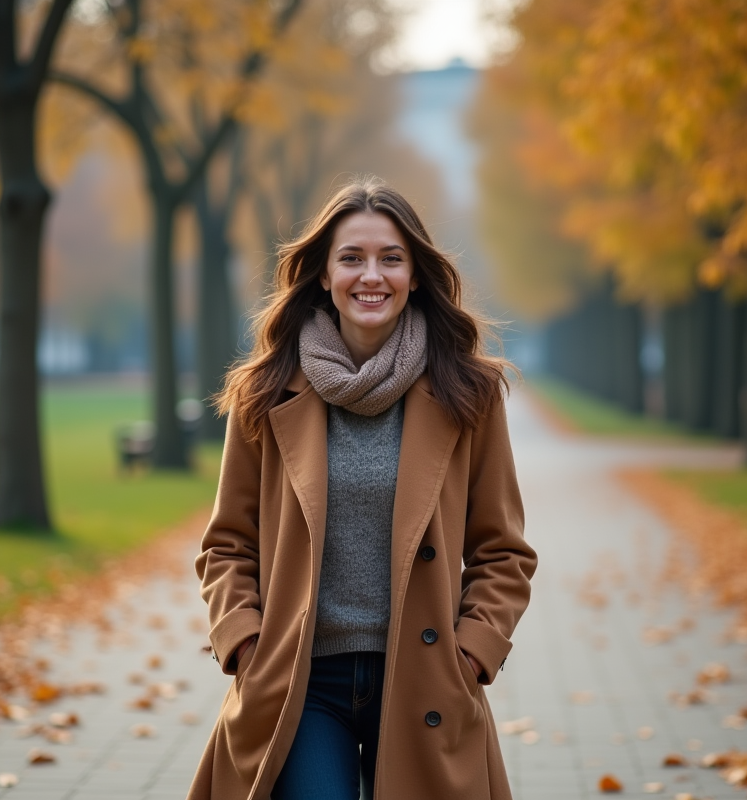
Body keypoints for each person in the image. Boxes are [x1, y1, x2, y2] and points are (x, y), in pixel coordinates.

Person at [188, 177, 537, 800]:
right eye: (351, 258)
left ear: (416, 275)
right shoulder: (265, 392)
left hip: (426, 679)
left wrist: (472, 654)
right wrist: (243, 642)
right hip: (299, 683)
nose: (370, 276)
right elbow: (227, 546)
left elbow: (502, 552)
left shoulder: (470, 394)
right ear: (323, 275)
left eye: (390, 259)